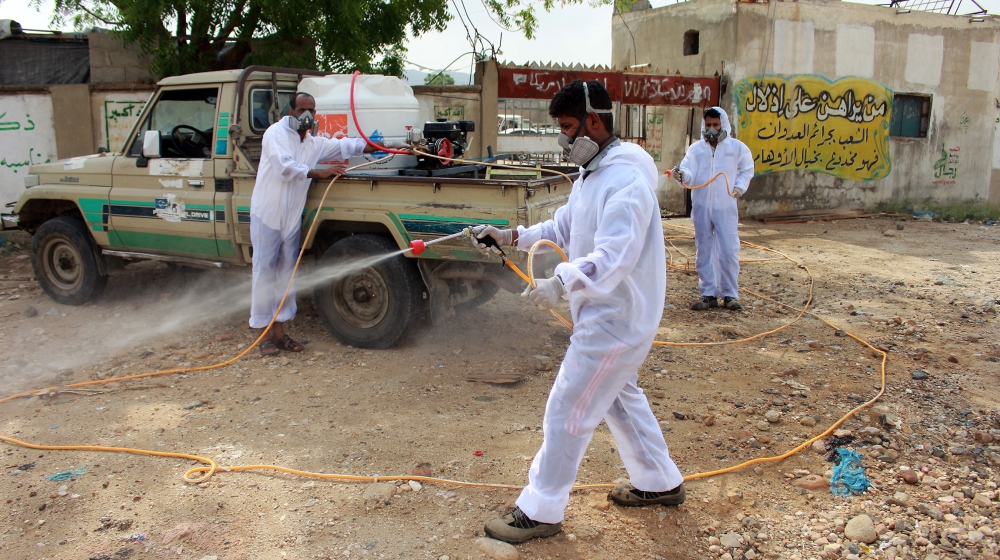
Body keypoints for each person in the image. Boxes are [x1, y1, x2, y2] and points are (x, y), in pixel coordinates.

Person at [471, 80, 685, 544]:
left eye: (569, 128)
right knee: (618, 399)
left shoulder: (626, 180)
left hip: (616, 320)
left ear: (594, 121)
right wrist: (509, 236)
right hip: (605, 315)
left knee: (567, 406)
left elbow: (615, 254)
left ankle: (541, 509)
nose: (564, 140)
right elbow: (564, 226)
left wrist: (561, 281)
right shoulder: (593, 174)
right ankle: (659, 482)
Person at [250, 92, 405, 355]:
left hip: (290, 217)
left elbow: (346, 146)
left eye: (311, 109)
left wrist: (386, 145)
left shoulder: (312, 142)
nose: (307, 115)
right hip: (267, 213)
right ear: (291, 112)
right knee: (265, 272)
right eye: (301, 110)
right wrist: (318, 173)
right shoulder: (275, 133)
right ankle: (263, 335)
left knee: (287, 273)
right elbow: (283, 167)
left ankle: (280, 332)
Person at [673, 107, 754, 312]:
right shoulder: (696, 149)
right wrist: (681, 174)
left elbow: (747, 168)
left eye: (715, 125)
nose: (711, 129)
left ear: (723, 125)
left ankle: (730, 294)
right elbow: (688, 171)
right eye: (708, 125)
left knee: (728, 249)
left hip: (725, 206)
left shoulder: (736, 148)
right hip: (701, 206)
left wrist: (739, 187)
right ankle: (708, 294)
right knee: (704, 249)